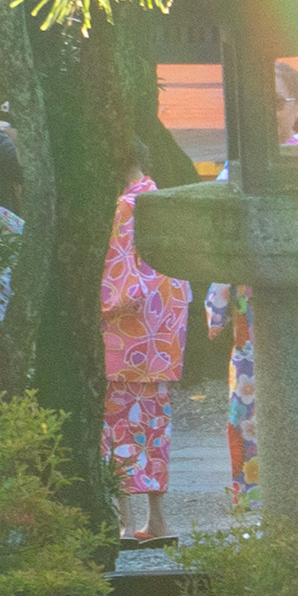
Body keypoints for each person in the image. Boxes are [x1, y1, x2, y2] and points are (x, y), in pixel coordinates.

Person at [210, 61, 298, 512]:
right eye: (254, 103)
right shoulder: (238, 165)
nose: (264, 112)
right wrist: (219, 303)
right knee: (246, 406)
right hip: (249, 312)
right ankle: (254, 498)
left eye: (274, 102)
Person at [100, 162, 191, 541]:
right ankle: (157, 520)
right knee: (154, 428)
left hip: (127, 336)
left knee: (118, 427)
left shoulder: (125, 206)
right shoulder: (164, 201)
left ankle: (125, 520)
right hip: (163, 336)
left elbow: (117, 277)